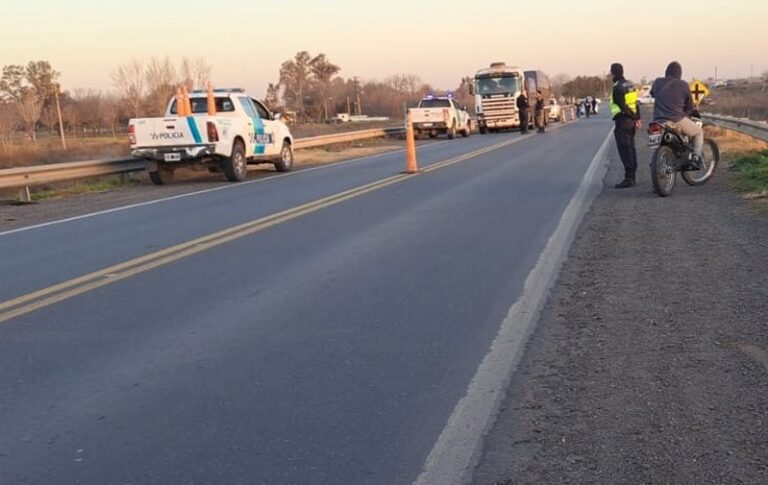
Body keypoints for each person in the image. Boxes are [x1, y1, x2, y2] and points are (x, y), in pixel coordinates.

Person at [650, 61, 703, 167]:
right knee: (698, 132)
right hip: (675, 119)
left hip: (658, 121)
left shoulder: (657, 82)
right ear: (679, 73)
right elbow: (690, 106)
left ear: (666, 72)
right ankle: (696, 158)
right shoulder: (683, 84)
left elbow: (652, 93)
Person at [609, 62, 641, 188]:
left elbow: (623, 107)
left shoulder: (617, 88)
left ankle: (629, 178)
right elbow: (636, 103)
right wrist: (637, 118)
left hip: (623, 121)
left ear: (613, 73)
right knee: (631, 148)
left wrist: (632, 116)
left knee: (624, 149)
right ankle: (632, 175)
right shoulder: (630, 85)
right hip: (631, 122)